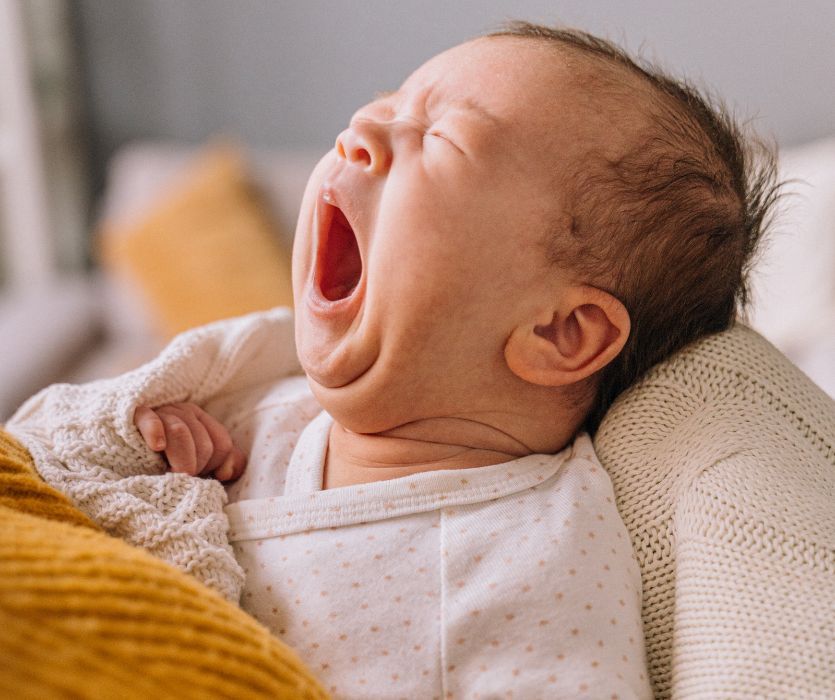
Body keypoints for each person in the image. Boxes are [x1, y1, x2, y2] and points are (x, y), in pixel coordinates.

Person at [8, 21, 778, 699]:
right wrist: (128, 435)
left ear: (559, 334)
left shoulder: (531, 561)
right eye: (385, 105)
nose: (357, 134)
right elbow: (36, 456)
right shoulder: (249, 381)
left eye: (439, 139)